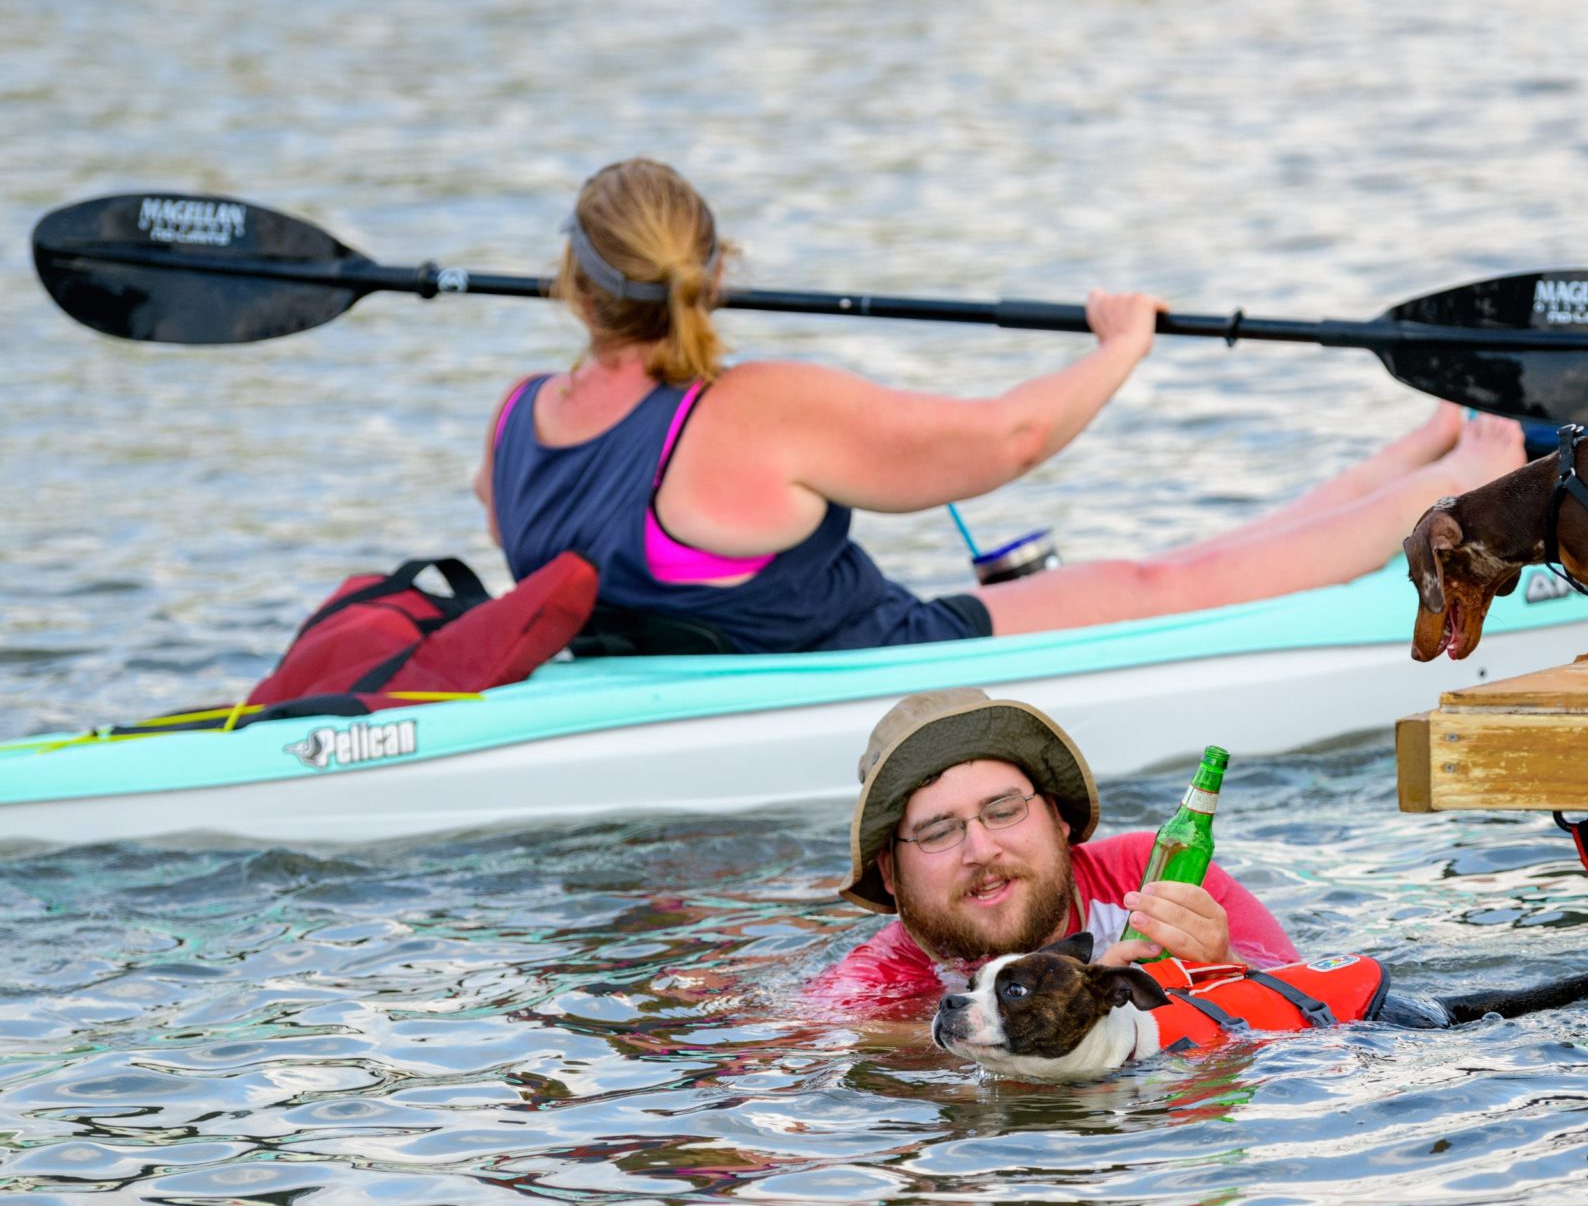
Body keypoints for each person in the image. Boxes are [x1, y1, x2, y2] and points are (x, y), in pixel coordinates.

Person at [473, 158, 1525, 654]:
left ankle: (1420, 448)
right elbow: (1009, 439)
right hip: (882, 656)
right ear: (717, 272)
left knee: (1170, 568)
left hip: (672, 668)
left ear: (569, 282)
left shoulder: (514, 426)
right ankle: (1458, 477)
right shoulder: (755, 408)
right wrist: (1124, 345)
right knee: (1163, 578)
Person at [802, 688, 1300, 1016]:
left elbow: (1311, 1006)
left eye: (1003, 810)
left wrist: (1223, 966)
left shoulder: (1150, 872)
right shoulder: (875, 989)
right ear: (891, 873)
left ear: (1059, 818)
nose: (982, 849)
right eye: (938, 832)